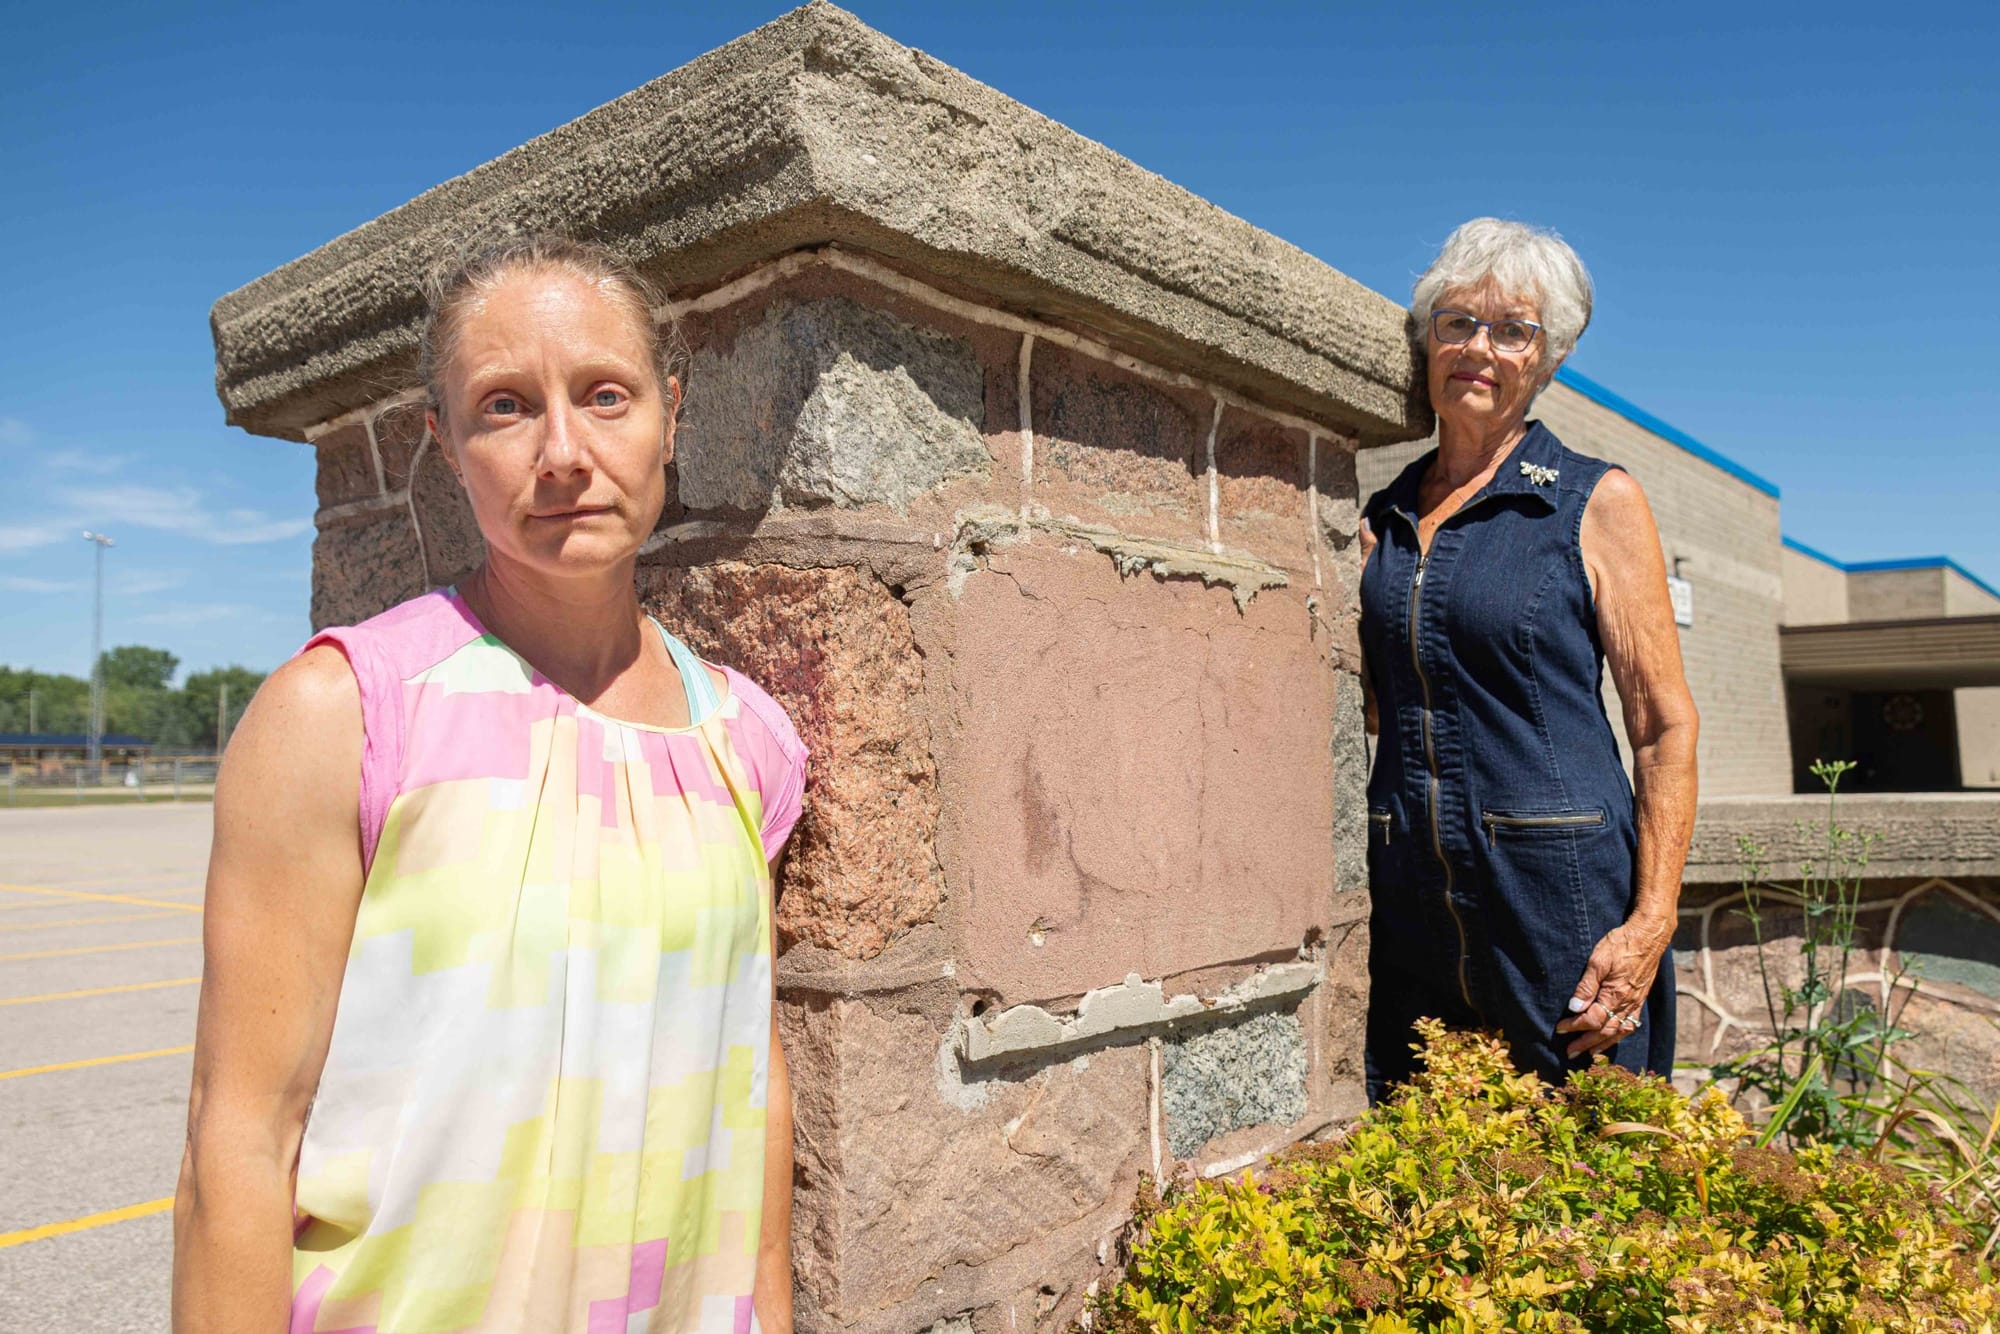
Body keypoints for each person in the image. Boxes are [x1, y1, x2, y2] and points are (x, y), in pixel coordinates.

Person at [174, 236, 808, 1333]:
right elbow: (240, 1138)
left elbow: (749, 1085)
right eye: (505, 406)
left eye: (605, 395)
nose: (563, 451)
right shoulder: (346, 711)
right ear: (448, 444)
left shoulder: (746, 741)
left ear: (672, 411)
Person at [1357, 217, 1699, 1101]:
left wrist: (1652, 920)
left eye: (1513, 331)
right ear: (1426, 341)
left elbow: (1664, 727)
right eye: (1457, 322)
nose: (1479, 348)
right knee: (1432, 1178)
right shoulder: (1376, 522)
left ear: (1547, 361)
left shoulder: (1596, 501)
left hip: (1563, 911)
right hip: (1412, 915)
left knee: (1591, 1171)